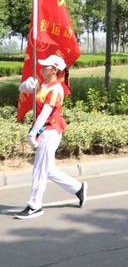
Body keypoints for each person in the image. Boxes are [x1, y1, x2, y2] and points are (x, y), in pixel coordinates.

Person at [14, 55, 87, 219]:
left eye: (46, 66)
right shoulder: (44, 84)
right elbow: (22, 90)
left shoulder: (56, 89)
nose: (41, 68)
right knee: (47, 169)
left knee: (39, 169)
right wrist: (26, 85)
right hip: (44, 130)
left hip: (50, 131)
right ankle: (78, 188)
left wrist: (33, 132)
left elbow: (45, 114)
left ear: (54, 70)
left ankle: (35, 205)